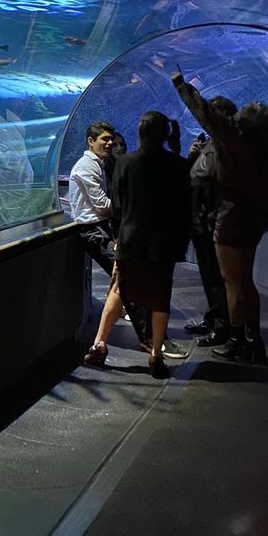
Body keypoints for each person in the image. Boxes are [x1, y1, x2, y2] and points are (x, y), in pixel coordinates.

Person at [172, 71, 268, 363]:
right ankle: (253, 340)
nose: (234, 120)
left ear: (245, 124)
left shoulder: (238, 145)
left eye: (240, 116)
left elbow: (207, 115)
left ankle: (237, 340)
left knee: (232, 281)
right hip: (254, 218)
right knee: (245, 281)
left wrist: (181, 84)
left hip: (233, 218)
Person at [106, 111, 191, 378]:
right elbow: (183, 206)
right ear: (167, 134)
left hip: (131, 239)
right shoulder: (178, 165)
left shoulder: (123, 163)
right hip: (163, 242)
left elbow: (117, 203)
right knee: (160, 297)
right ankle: (156, 354)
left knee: (121, 288)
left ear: (139, 133)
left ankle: (99, 342)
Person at [68, 122, 150, 359]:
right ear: (90, 141)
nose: (110, 143)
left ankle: (105, 341)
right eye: (104, 139)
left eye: (111, 139)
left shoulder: (97, 164)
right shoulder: (87, 166)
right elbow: (102, 206)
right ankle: (146, 339)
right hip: (93, 231)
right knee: (127, 280)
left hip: (100, 229)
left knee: (122, 281)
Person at [184, 96, 238, 347]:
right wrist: (192, 157)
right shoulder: (212, 143)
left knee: (218, 277)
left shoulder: (228, 147)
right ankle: (213, 316)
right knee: (208, 274)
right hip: (200, 221)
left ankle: (222, 327)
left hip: (212, 222)